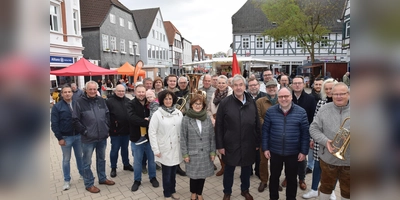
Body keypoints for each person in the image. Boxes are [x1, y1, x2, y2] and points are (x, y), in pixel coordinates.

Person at [216, 75, 260, 200]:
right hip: (230, 143)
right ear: (232, 86)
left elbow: (257, 123)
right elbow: (219, 125)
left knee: (246, 169)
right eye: (236, 85)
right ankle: (227, 192)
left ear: (245, 86)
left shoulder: (251, 102)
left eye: (241, 85)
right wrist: (220, 145)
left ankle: (245, 190)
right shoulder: (225, 103)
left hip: (248, 142)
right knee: (229, 169)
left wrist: (257, 142)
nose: (238, 87)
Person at [262, 87, 310, 200]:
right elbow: (265, 131)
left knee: (292, 179)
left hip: (293, 152)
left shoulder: (301, 112)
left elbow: (305, 134)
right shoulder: (271, 111)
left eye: (286, 96)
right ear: (278, 98)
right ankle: (273, 198)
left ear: (291, 97)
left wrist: (304, 151)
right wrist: (265, 148)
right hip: (275, 151)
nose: (284, 99)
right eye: (281, 96)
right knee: (274, 178)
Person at [72, 81, 115, 193]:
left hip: (102, 136)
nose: (92, 91)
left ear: (97, 90)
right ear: (85, 90)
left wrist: (107, 128)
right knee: (87, 162)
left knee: (101, 159)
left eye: (94, 89)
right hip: (88, 138)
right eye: (90, 89)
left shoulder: (101, 100)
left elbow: (107, 115)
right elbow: (75, 120)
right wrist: (85, 132)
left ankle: (102, 178)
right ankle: (89, 183)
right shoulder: (79, 102)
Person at [310, 82, 350, 200]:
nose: (338, 96)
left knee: (348, 191)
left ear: (349, 94)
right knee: (325, 188)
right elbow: (313, 128)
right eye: (335, 94)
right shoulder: (324, 109)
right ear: (331, 95)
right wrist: (325, 141)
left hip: (350, 161)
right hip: (328, 159)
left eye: (342, 94)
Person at [303, 78, 337, 200]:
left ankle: (331, 190)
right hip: (320, 140)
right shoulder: (321, 103)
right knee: (317, 166)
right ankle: (313, 189)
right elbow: (315, 123)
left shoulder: (344, 103)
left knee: (334, 167)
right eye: (326, 89)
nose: (329, 91)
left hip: (336, 141)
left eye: (331, 88)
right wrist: (312, 139)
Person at [281, 75, 316, 191]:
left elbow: (312, 119)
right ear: (291, 84)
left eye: (299, 83)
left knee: (302, 159)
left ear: (304, 84)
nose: (297, 85)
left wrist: (310, 137)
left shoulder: (310, 99)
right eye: (295, 83)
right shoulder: (287, 97)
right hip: (289, 134)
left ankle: (301, 179)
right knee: (288, 158)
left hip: (303, 134)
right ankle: (288, 177)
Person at [148, 90, 183, 200]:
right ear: (162, 100)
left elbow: (182, 130)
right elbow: (152, 132)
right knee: (167, 173)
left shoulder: (178, 112)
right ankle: (167, 193)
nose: (168, 101)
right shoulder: (157, 114)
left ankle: (173, 190)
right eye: (166, 99)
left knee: (174, 172)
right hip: (164, 148)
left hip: (176, 147)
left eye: (170, 99)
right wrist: (156, 149)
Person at [180, 94, 216, 200]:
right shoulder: (186, 119)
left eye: (200, 104)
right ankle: (193, 193)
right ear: (191, 105)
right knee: (194, 175)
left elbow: (212, 137)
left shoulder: (207, 118)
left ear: (203, 105)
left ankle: (199, 193)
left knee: (202, 175)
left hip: (205, 152)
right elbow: (183, 137)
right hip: (192, 153)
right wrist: (185, 154)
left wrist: (213, 152)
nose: (198, 106)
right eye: (195, 103)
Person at [127, 85, 160, 192]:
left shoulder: (150, 102)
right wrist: (147, 122)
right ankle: (137, 180)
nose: (141, 94)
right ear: (135, 92)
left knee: (151, 161)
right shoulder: (130, 104)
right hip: (137, 138)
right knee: (137, 162)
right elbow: (131, 118)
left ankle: (153, 177)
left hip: (150, 138)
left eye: (143, 92)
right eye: (139, 92)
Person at [51, 85, 84, 191]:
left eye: (69, 91)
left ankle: (82, 175)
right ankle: (67, 180)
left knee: (80, 157)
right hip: (66, 137)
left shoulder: (77, 104)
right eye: (65, 92)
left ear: (72, 93)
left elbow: (82, 118)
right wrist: (59, 138)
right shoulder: (57, 107)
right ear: (62, 94)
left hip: (78, 136)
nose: (67, 94)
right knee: (66, 159)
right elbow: (54, 124)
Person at [255, 80, 281, 193]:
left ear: (277, 88)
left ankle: (275, 181)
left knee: (277, 161)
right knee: (263, 161)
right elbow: (258, 117)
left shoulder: (282, 100)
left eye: (273, 87)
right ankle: (264, 180)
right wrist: (269, 126)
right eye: (269, 87)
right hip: (264, 135)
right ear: (266, 89)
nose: (271, 89)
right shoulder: (260, 101)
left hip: (278, 136)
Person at [207, 75, 233, 176]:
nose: (221, 85)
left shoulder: (231, 94)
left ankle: (229, 167)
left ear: (227, 84)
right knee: (218, 146)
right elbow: (209, 109)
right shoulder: (214, 94)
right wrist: (212, 118)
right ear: (216, 84)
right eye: (219, 83)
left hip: (227, 124)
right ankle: (223, 167)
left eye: (223, 83)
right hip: (215, 123)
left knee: (227, 146)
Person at [106, 85, 133, 178]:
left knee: (125, 149)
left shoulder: (128, 101)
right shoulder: (109, 101)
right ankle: (113, 168)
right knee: (114, 150)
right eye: (119, 91)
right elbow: (107, 116)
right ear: (115, 91)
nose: (121, 93)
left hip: (126, 130)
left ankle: (126, 164)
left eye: (123, 91)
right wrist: (108, 129)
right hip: (115, 131)